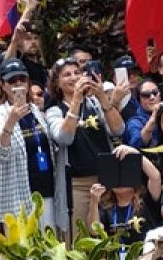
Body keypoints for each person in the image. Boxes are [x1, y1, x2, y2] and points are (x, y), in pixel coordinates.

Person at [0, 62, 60, 260]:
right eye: (12, 81)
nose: (18, 85)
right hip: (19, 194)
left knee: (48, 250)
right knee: (24, 253)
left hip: (45, 191)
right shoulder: (0, 114)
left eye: (22, 79)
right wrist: (10, 122)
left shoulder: (37, 111)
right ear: (3, 85)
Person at [45, 58, 126, 236]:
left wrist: (104, 100)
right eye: (67, 75)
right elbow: (64, 138)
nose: (74, 78)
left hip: (106, 179)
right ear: (57, 83)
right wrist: (75, 101)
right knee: (81, 239)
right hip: (77, 185)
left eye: (77, 73)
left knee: (107, 236)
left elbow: (118, 129)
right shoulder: (54, 111)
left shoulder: (95, 105)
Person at [86, 145, 163, 260]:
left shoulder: (146, 200)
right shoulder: (106, 206)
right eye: (115, 176)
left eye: (125, 175)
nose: (120, 181)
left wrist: (136, 154)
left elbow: (155, 177)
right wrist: (94, 201)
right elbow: (94, 230)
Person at [124, 80, 163, 149]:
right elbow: (136, 143)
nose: (152, 97)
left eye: (155, 92)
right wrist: (153, 119)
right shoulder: (134, 122)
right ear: (139, 99)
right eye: (146, 95)